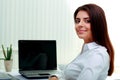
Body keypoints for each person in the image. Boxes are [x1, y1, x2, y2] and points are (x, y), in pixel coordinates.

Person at [49, 3, 114, 80]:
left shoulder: (97, 55)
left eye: (87, 21)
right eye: (77, 21)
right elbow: (70, 71)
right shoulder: (87, 50)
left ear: (98, 24)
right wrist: (56, 77)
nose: (79, 24)